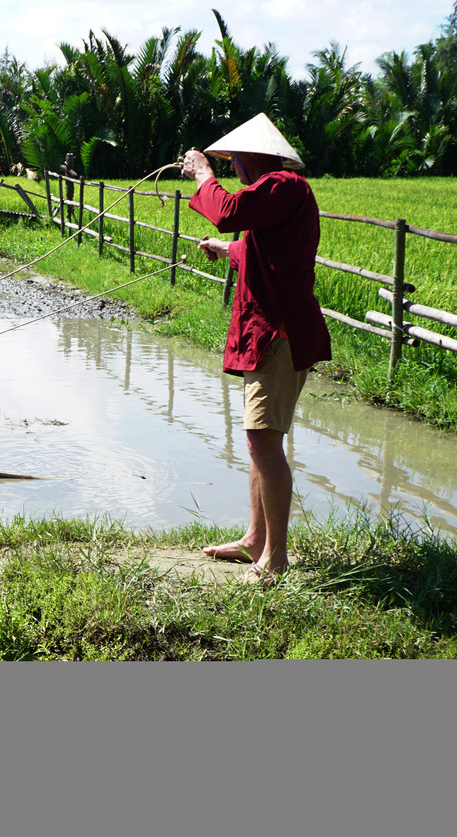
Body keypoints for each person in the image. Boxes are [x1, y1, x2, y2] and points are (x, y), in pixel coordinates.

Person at [180, 113, 332, 585]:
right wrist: (228, 250)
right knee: (258, 440)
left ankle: (277, 557)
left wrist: (203, 174)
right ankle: (254, 541)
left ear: (254, 156)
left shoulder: (283, 185)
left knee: (263, 441)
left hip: (277, 334)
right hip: (265, 334)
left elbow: (228, 211)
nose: (233, 170)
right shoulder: (281, 195)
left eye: (234, 161)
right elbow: (272, 252)